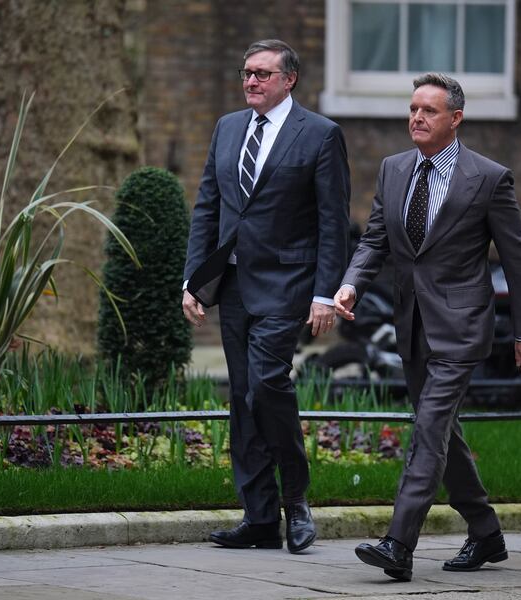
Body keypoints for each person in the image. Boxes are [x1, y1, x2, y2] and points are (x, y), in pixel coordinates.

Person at [334, 72, 521, 581]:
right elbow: (376, 239)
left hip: (463, 325)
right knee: (444, 430)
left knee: (427, 430)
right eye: (412, 109)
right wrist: (351, 284)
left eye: (429, 110)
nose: (417, 118)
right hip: (412, 325)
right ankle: (486, 533)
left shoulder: (490, 178)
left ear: (455, 118)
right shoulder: (393, 169)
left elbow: (517, 262)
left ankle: (398, 544)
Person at [182, 39, 350, 554]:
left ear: (288, 79)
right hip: (233, 285)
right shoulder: (228, 127)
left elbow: (332, 222)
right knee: (241, 397)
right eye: (246, 73)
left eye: (261, 74)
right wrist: (192, 280)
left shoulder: (321, 135)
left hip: (287, 287)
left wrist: (324, 294)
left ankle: (295, 501)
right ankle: (258, 518)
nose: (250, 81)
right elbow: (207, 205)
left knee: (267, 384)